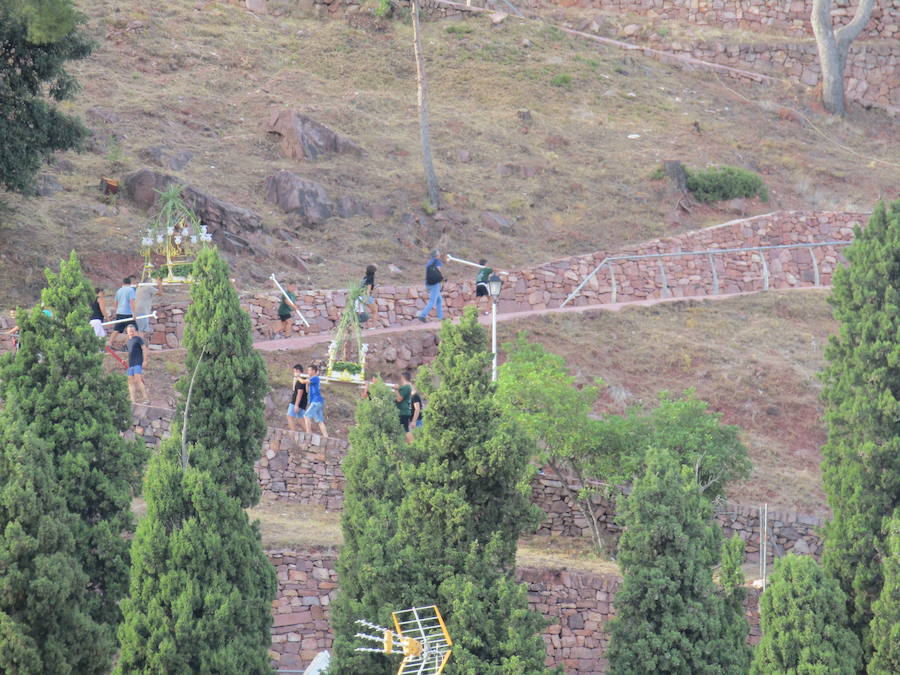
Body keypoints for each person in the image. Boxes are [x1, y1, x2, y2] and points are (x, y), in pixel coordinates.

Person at [418, 250, 445, 322]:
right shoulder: (437, 261)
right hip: (434, 284)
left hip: (428, 283)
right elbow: (439, 272)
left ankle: (440, 317)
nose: (440, 254)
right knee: (432, 301)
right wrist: (442, 278)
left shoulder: (429, 262)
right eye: (439, 253)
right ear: (436, 255)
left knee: (439, 300)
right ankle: (422, 316)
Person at [125, 323, 149, 403]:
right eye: (129, 331)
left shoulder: (138, 339)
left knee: (138, 380)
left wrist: (145, 360)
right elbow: (130, 353)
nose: (131, 332)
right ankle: (132, 400)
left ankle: (145, 398)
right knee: (130, 382)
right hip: (130, 364)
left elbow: (144, 349)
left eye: (132, 331)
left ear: (135, 331)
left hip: (138, 362)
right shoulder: (128, 342)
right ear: (127, 332)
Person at [110, 277, 136, 348]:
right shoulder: (131, 290)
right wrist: (134, 313)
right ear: (130, 283)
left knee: (116, 330)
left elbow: (116, 303)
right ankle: (125, 345)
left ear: (123, 283)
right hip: (128, 313)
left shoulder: (119, 291)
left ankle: (109, 344)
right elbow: (131, 302)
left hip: (119, 312)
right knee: (133, 330)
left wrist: (116, 312)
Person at [303, 363, 328, 437]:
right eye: (308, 370)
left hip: (316, 402)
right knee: (320, 421)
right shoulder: (311, 380)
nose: (308, 372)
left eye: (310, 370)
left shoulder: (315, 378)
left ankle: (308, 433)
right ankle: (326, 436)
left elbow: (303, 381)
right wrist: (306, 383)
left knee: (306, 415)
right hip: (317, 402)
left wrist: (298, 377)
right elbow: (307, 391)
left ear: (314, 371)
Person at [287, 364, 307, 433]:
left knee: (289, 416)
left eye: (295, 371)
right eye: (294, 372)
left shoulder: (300, 381)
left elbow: (300, 392)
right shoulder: (302, 380)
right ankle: (309, 433)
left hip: (297, 402)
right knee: (300, 419)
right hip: (302, 403)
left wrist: (296, 405)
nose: (294, 373)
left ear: (299, 371)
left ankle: (293, 433)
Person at [395, 370, 413, 443]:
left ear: (403, 378)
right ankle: (408, 444)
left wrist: (396, 390)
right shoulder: (407, 387)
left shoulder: (406, 387)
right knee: (403, 430)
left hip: (403, 412)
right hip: (403, 411)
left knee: (406, 430)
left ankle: (413, 443)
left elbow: (399, 399)